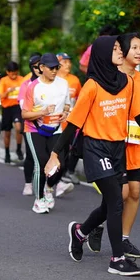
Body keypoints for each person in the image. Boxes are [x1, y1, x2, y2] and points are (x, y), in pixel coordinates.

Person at [44, 35, 140, 276]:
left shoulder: (127, 82)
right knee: (117, 200)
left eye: (121, 48)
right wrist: (55, 154)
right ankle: (117, 259)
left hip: (117, 148)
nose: (121, 52)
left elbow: (138, 114)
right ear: (103, 54)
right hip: (96, 148)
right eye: (117, 49)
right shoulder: (92, 86)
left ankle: (80, 232)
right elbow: (73, 124)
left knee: (109, 203)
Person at [86, 33, 140, 258]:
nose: (139, 52)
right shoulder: (109, 75)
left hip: (134, 142)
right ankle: (90, 228)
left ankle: (124, 240)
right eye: (135, 48)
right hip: (112, 143)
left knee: (134, 192)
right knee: (121, 194)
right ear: (122, 52)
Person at [22, 53, 73, 214]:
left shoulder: (63, 84)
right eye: (51, 68)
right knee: (41, 163)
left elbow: (67, 105)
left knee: (60, 165)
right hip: (34, 129)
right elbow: (25, 114)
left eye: (56, 67)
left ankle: (49, 189)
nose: (54, 71)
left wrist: (65, 113)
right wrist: (42, 112)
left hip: (55, 128)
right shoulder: (33, 87)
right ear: (41, 68)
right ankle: (39, 200)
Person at [56, 52, 82, 185]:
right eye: (65, 62)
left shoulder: (75, 80)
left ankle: (68, 171)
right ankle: (57, 174)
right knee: (59, 148)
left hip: (72, 121)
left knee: (72, 148)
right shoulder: (53, 80)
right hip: (57, 121)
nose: (68, 64)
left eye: (69, 62)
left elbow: (80, 99)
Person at [17, 54, 41, 195]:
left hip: (50, 124)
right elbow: (23, 106)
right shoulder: (26, 85)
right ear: (32, 68)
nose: (39, 68)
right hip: (31, 125)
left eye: (41, 65)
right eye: (36, 65)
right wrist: (41, 112)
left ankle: (48, 185)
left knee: (46, 155)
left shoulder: (51, 82)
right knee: (31, 155)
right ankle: (28, 184)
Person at [0, 61, 24, 163]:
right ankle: (7, 152)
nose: (14, 76)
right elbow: (0, 96)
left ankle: (18, 149)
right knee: (7, 132)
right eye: (12, 73)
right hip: (7, 108)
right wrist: (8, 91)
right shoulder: (3, 81)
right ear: (7, 72)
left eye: (15, 73)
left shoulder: (21, 80)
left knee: (18, 127)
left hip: (17, 107)